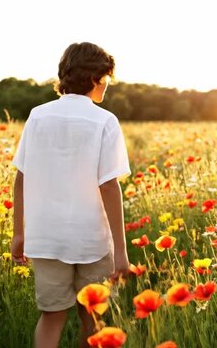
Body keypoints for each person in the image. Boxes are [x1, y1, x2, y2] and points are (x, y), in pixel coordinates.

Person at [11, 42, 132, 348]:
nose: (107, 86)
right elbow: (108, 185)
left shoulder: (37, 116)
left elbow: (21, 178)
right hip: (90, 238)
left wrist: (18, 233)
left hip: (46, 238)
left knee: (51, 317)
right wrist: (121, 250)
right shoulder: (105, 121)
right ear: (96, 78)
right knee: (93, 318)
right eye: (106, 79)